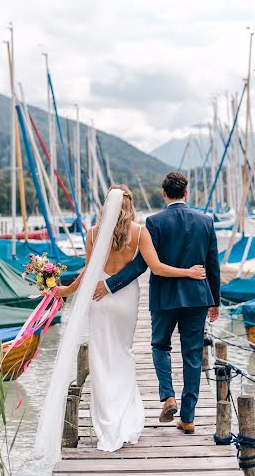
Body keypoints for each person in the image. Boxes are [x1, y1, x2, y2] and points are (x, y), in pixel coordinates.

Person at [51, 184, 205, 453]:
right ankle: (124, 419)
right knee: (123, 353)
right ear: (130, 205)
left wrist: (65, 290)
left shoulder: (93, 234)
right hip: (125, 300)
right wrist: (188, 273)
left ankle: (107, 426)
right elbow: (156, 268)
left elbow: (88, 272)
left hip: (98, 299)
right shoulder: (139, 232)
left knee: (100, 359)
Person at [93, 172, 220, 435]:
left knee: (160, 346)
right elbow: (212, 265)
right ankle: (188, 418)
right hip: (197, 297)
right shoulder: (206, 221)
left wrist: (109, 284)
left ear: (164, 194)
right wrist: (215, 300)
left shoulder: (155, 222)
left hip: (164, 298)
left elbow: (141, 265)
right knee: (192, 355)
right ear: (186, 192)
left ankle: (168, 396)